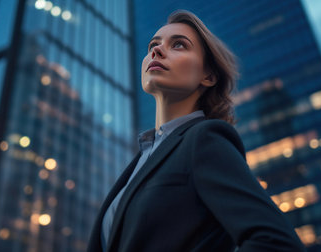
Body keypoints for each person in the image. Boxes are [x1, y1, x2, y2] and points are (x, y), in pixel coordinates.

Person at [87, 10, 306, 252]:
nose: (156, 51)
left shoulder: (204, 139)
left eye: (178, 45)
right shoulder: (142, 159)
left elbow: (277, 243)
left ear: (208, 75)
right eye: (153, 45)